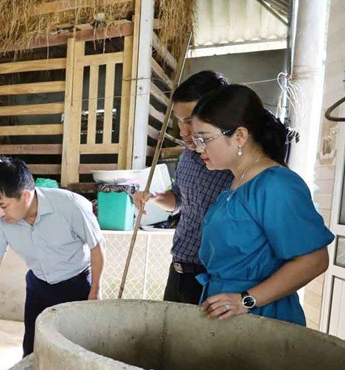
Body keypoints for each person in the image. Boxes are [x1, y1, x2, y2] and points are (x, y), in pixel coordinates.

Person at [190, 84, 334, 325]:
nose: (198, 148)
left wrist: (246, 300)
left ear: (239, 136)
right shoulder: (238, 183)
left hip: (261, 317)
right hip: (226, 314)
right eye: (196, 140)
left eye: (204, 139)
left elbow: (314, 260)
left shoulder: (276, 185)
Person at [0, 157, 105, 357]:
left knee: (76, 353)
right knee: (33, 352)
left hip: (76, 286)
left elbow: (97, 246)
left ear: (25, 196)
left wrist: (95, 290)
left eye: (3, 205)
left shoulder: (69, 205)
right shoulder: (0, 221)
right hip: (39, 287)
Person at [133, 71, 232, 304]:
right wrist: (154, 197)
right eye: (179, 121)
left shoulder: (235, 166)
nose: (184, 132)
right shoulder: (187, 156)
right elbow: (179, 199)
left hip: (214, 277)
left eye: (190, 121)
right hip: (179, 268)